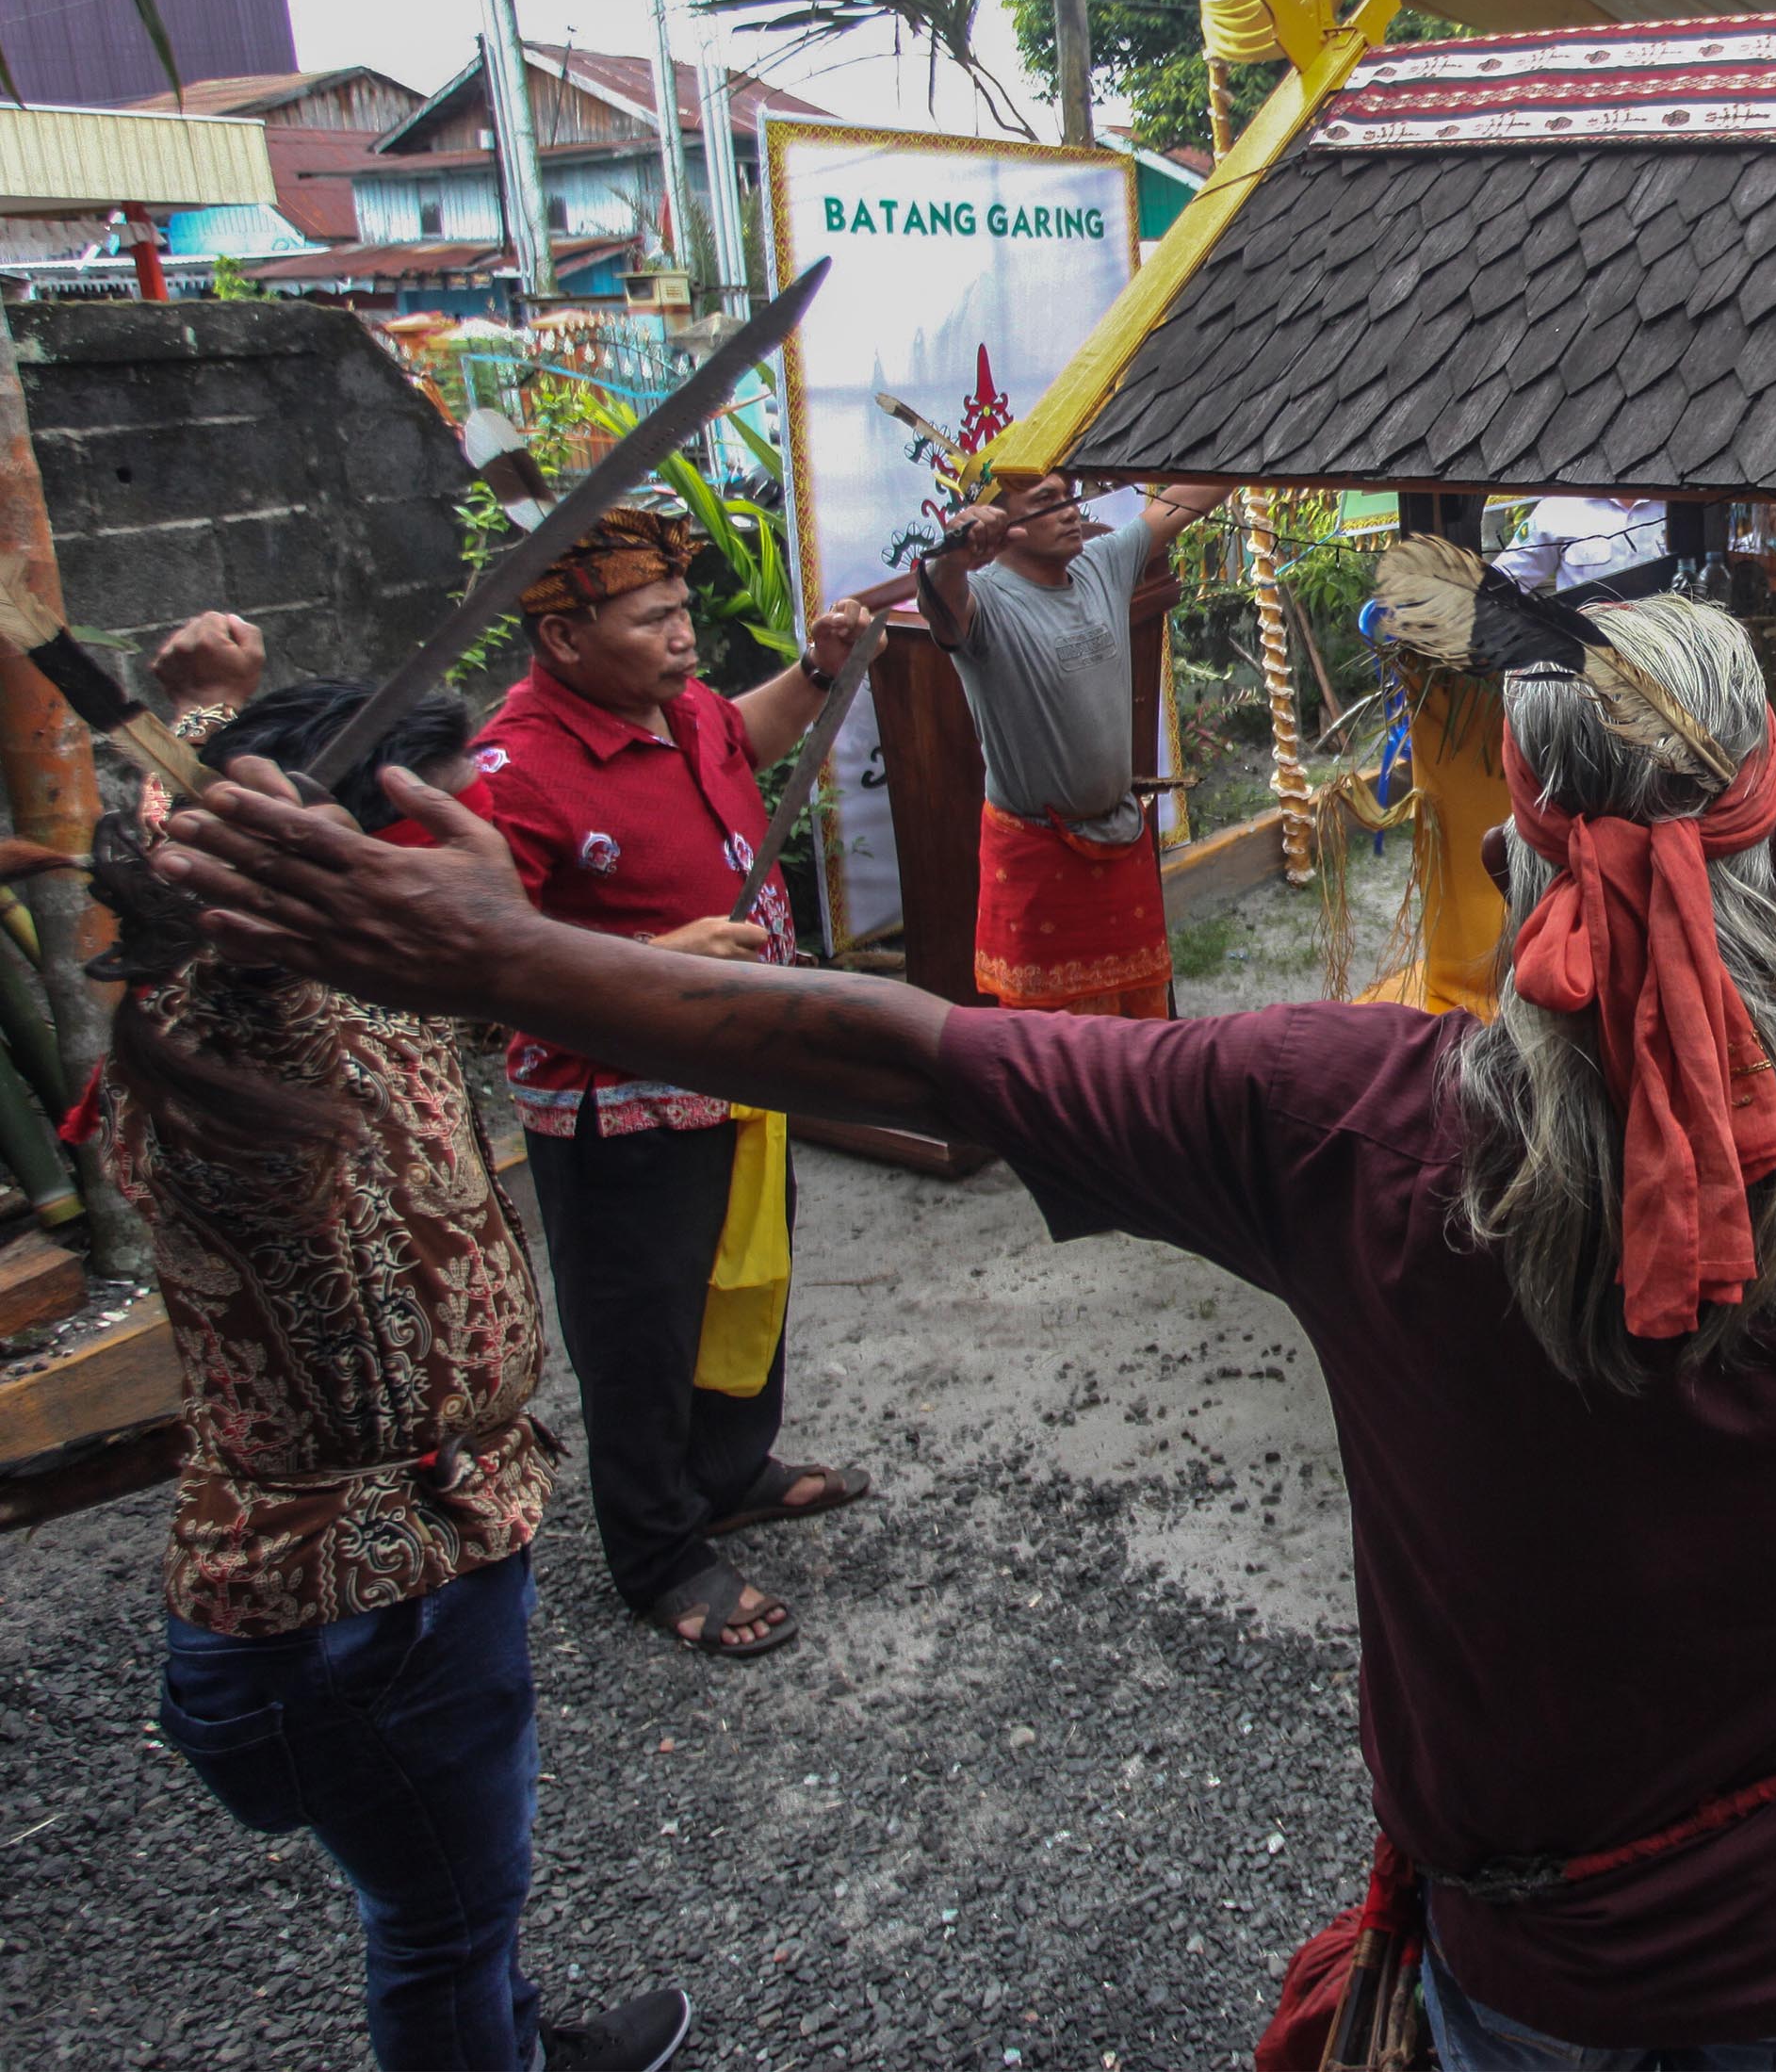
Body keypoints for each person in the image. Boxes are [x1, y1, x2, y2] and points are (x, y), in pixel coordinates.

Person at [151, 590, 1776, 2069]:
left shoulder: (1339, 1115)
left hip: (1540, 1967)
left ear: (1507, 843)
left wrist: (504, 957)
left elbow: (906, 1054)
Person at [108, 617, 692, 2072]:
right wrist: (213, 738)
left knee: (453, 1898)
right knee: (442, 1918)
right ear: (334, 876)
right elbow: (216, 930)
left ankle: (511, 2034)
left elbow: (475, 979)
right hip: (360, 1607)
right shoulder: (244, 1039)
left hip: (418, 1564)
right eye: (436, 838)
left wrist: (214, 720)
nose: (479, 866)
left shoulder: (363, 995)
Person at [473, 510, 879, 1659]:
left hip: (735, 1069)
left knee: (744, 1280)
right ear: (562, 638)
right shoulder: (514, 769)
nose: (683, 635)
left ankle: (729, 1470)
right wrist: (652, 958)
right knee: (640, 1328)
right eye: (652, 618)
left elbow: (741, 736)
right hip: (618, 1105)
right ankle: (655, 1548)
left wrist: (815, 673)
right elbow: (483, 954)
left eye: (684, 610)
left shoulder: (677, 705)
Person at [920, 467, 1226, 1018]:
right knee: (1051, 1049)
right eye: (1047, 501)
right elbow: (940, 600)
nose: (1069, 511)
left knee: (1138, 1029)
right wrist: (953, 555)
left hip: (1119, 839)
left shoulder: (1100, 563)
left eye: (1068, 497)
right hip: (1038, 859)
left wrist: (1256, 450)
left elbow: (1180, 503)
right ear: (1003, 526)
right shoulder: (983, 600)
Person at [1496, 496, 1669, 597]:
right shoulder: (1560, 507)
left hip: (1667, 638)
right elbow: (1506, 580)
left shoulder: (1676, 499)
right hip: (1586, 639)